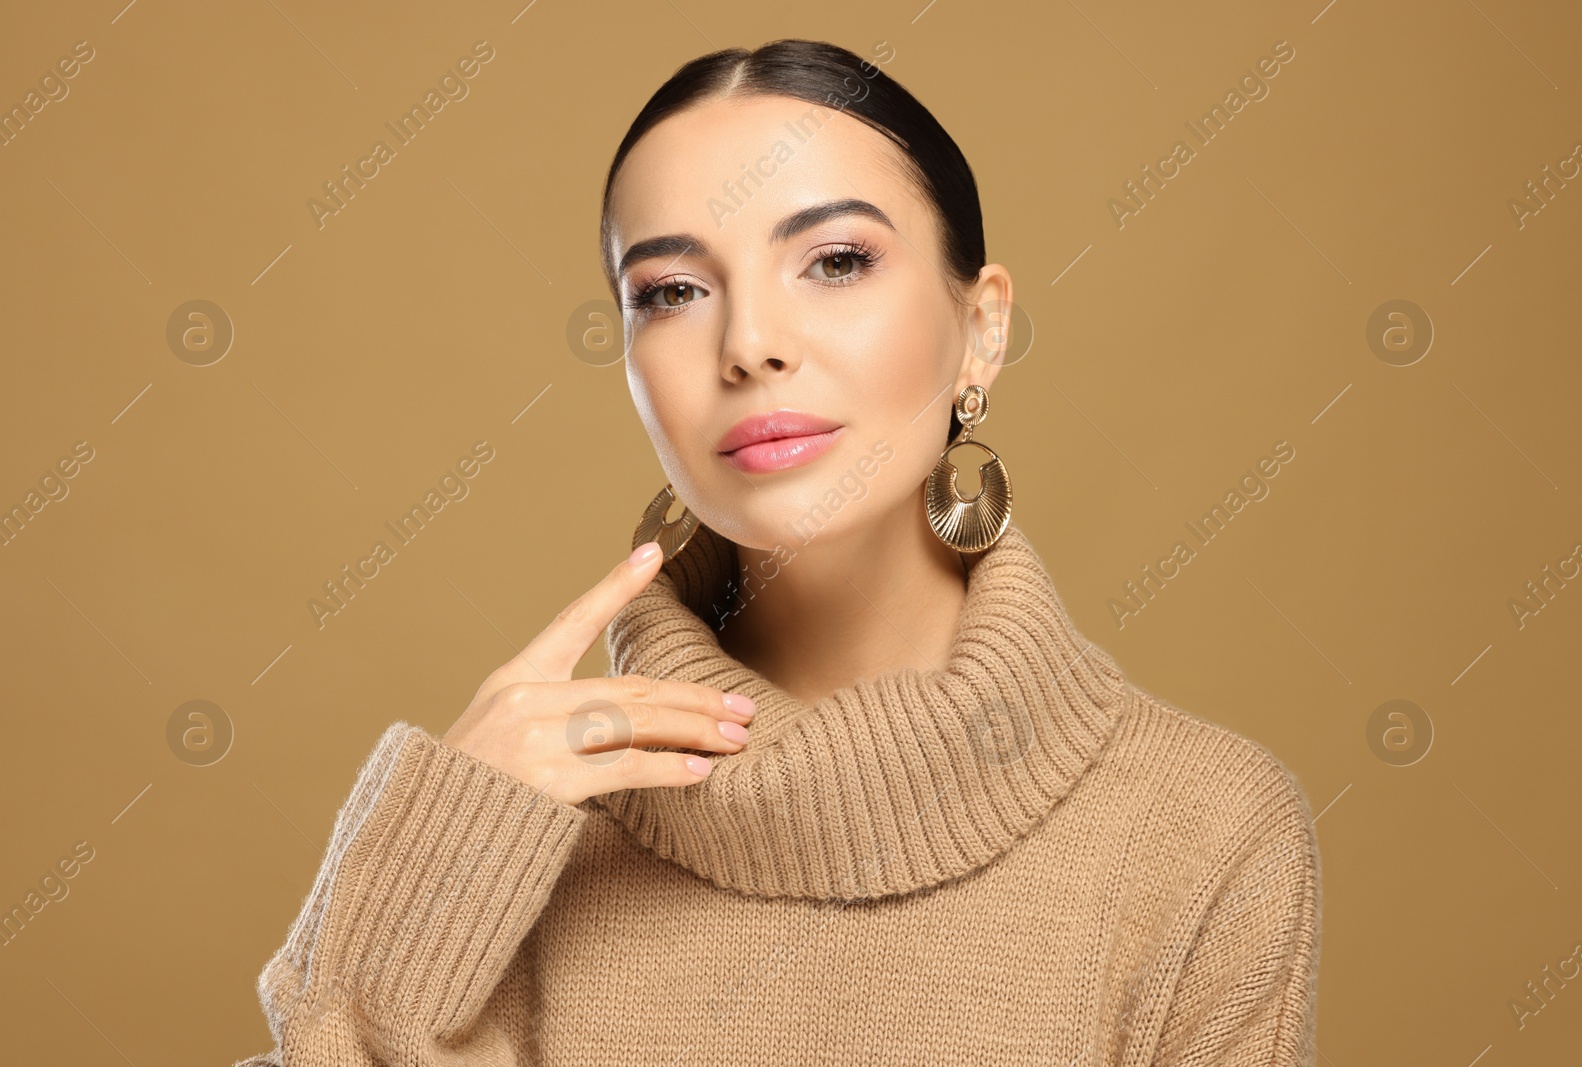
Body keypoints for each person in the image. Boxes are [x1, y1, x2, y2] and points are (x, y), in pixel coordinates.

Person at [236, 38, 1320, 1066]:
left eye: (835, 260)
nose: (748, 342)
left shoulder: (1201, 830)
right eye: (671, 291)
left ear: (981, 327)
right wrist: (426, 871)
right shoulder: (512, 826)